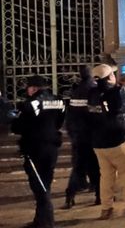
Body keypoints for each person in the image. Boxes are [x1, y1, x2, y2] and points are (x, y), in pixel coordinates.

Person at [88, 64, 125, 220]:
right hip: (120, 141)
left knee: (106, 177)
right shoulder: (119, 93)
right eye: (112, 74)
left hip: (99, 144)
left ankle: (106, 208)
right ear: (109, 78)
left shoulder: (92, 94)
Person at [11, 75, 65, 228]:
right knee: (45, 183)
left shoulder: (30, 104)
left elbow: (17, 127)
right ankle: (40, 220)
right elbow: (60, 121)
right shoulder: (59, 101)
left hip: (35, 149)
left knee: (39, 186)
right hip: (52, 147)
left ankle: (47, 222)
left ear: (33, 88)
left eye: (28, 87)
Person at [63, 66, 100, 209]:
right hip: (92, 134)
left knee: (78, 168)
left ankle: (70, 196)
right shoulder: (94, 89)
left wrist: (72, 132)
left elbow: (70, 115)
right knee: (96, 166)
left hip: (78, 135)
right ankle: (99, 195)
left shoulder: (75, 91)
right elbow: (96, 114)